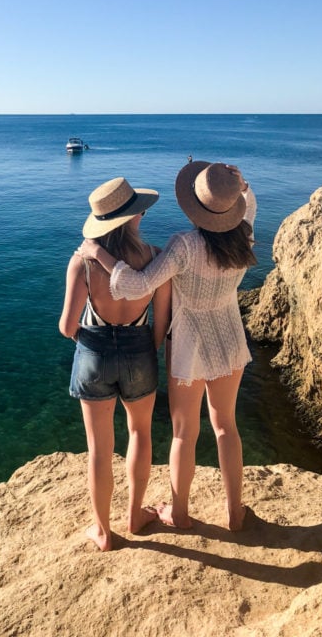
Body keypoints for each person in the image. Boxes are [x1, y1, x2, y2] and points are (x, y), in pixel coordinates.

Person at [77, 162, 256, 532]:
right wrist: (240, 188)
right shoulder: (245, 236)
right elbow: (248, 207)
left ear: (194, 205)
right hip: (229, 340)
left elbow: (138, 285)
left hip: (189, 346)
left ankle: (178, 512)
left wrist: (99, 255)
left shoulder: (183, 246)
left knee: (183, 433)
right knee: (226, 426)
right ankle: (235, 511)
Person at [59, 177, 171, 551]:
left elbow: (66, 326)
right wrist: (144, 350)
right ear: (137, 215)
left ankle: (104, 532)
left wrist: (92, 342)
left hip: (93, 354)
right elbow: (162, 323)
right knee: (140, 433)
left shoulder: (82, 263)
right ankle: (136, 515)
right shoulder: (156, 259)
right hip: (140, 351)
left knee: (99, 448)